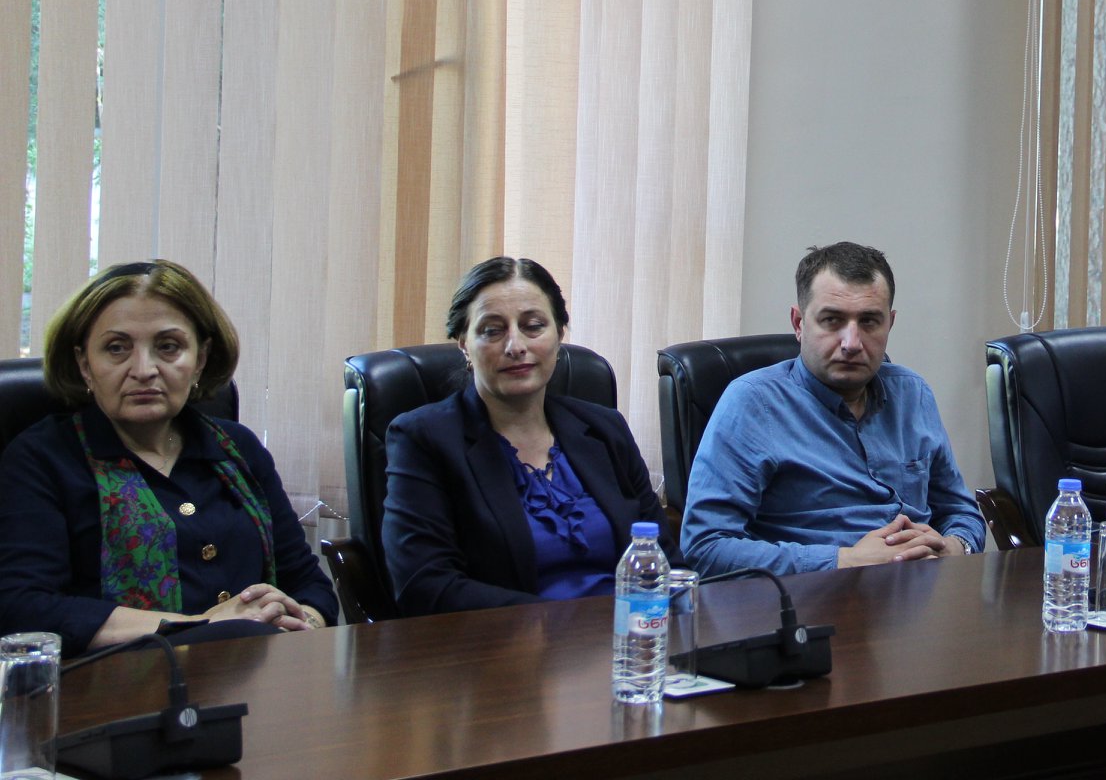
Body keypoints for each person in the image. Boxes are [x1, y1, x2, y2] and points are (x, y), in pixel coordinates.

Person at [0, 261, 336, 650]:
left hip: (256, 672)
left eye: (168, 347)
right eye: (116, 348)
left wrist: (301, 622)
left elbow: (309, 585)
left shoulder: (237, 449)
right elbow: (25, 608)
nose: (144, 370)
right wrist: (201, 626)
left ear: (201, 359)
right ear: (84, 364)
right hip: (110, 682)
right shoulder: (42, 458)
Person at [383, 256, 669, 615]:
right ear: (463, 344)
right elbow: (425, 585)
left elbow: (663, 558)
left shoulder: (604, 429)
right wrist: (563, 623)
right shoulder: (423, 439)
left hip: (631, 637)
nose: (515, 346)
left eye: (533, 326)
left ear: (559, 335)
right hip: (508, 644)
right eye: (492, 330)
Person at [681, 242, 984, 575]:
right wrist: (845, 561)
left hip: (921, 590)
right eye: (832, 320)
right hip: (813, 596)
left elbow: (961, 513)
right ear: (799, 323)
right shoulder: (752, 404)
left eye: (869, 322)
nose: (851, 343)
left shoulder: (913, 393)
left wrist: (956, 546)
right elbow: (706, 545)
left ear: (890, 324)